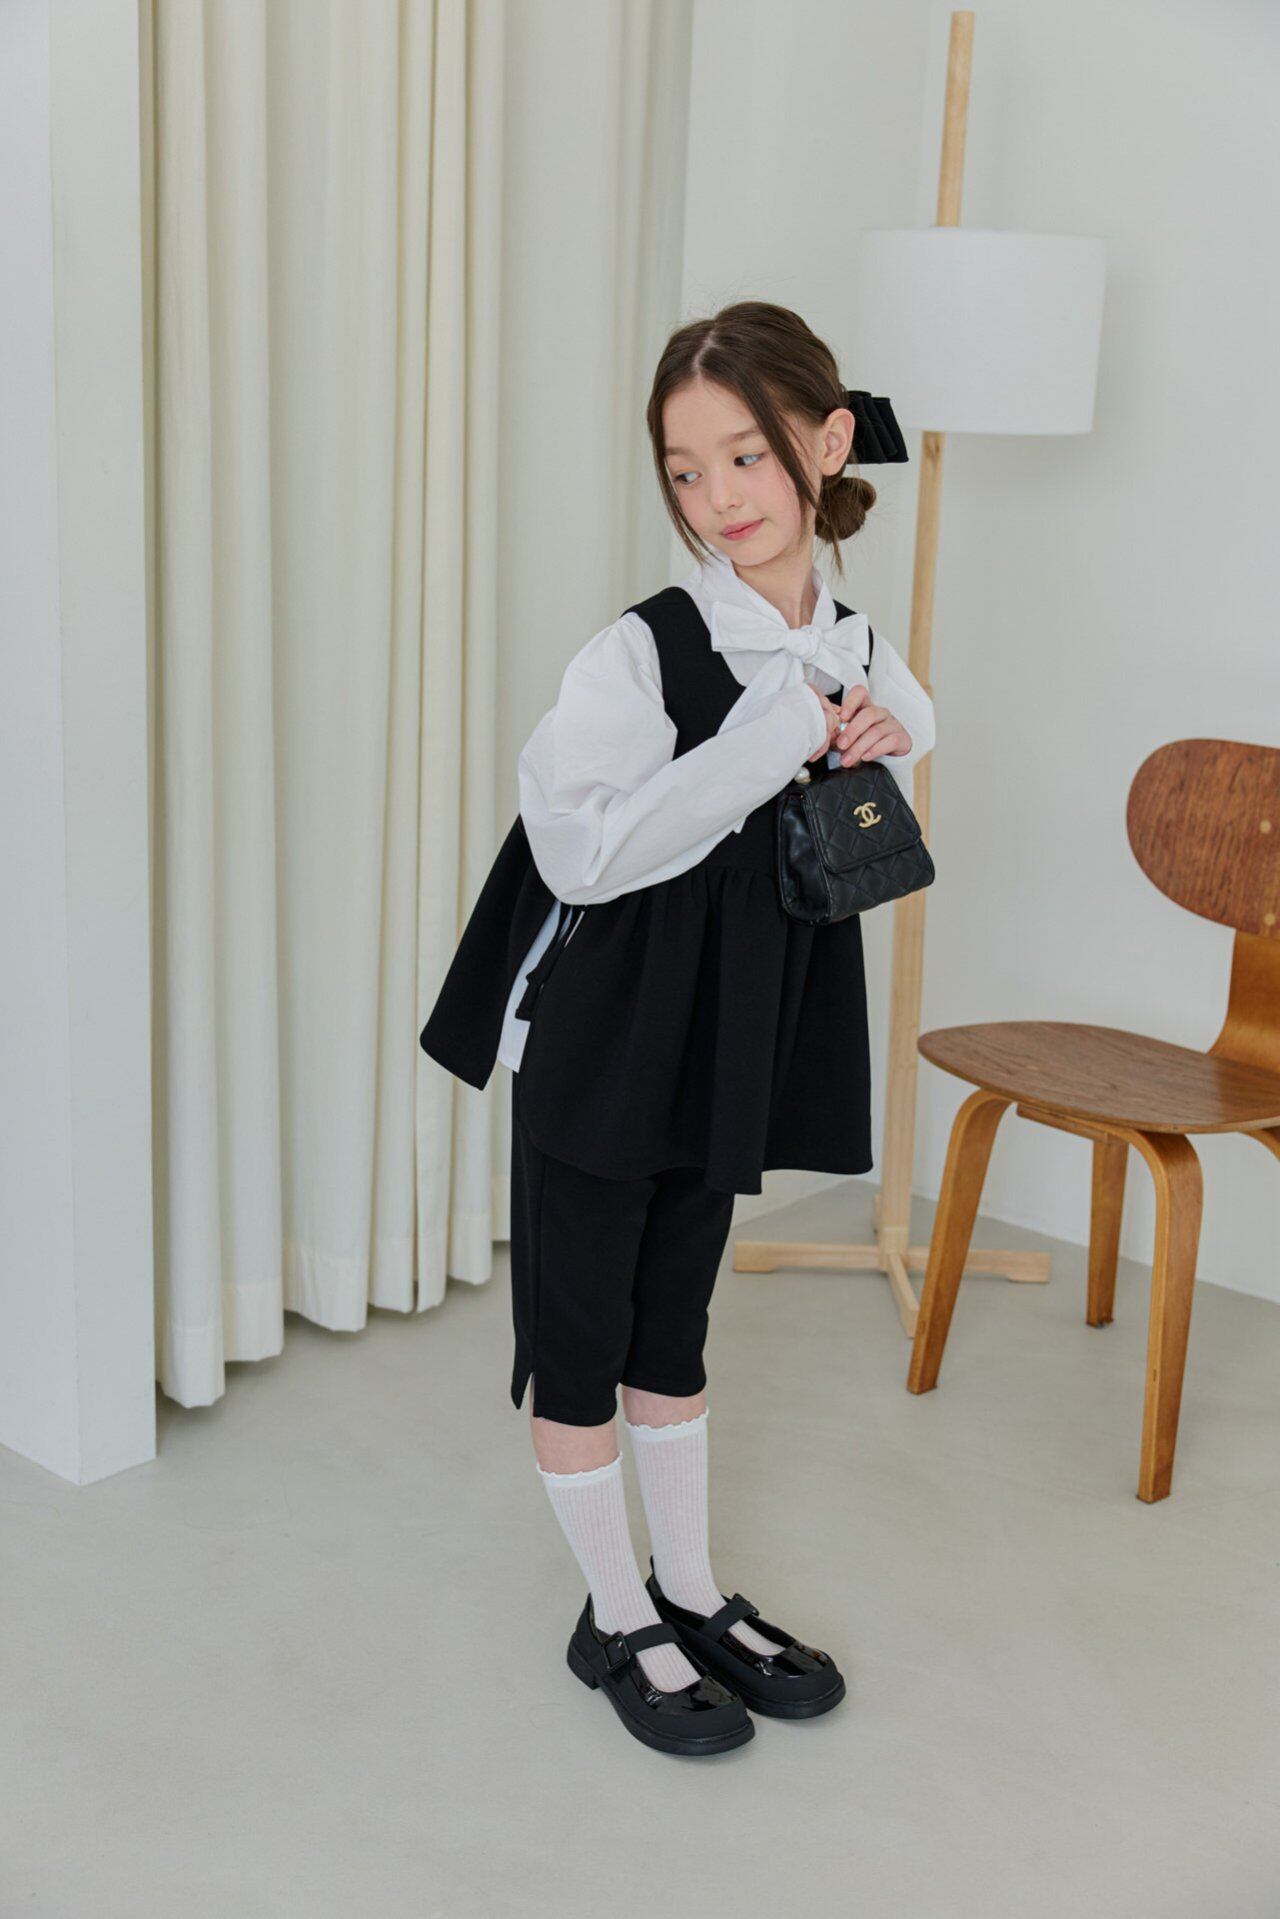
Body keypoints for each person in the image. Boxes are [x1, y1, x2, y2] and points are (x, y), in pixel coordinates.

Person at [420, 299, 935, 1757]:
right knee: (582, 1338)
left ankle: (693, 1591)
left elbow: (909, 721)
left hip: (730, 1039)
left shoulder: (846, 637)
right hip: (605, 1035)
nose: (718, 497)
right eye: (686, 470)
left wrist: (889, 729)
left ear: (824, 445)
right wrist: (773, 740)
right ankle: (614, 1615)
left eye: (746, 457)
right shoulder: (641, 653)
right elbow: (584, 854)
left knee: (676, 1326)